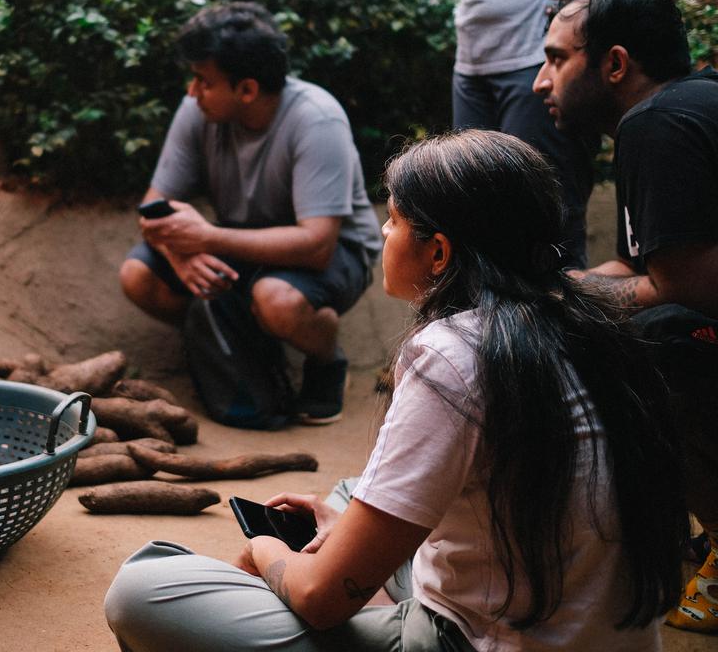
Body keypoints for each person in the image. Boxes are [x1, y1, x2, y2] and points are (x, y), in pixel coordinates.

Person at [106, 130, 688, 651]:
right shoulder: (586, 323)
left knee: (142, 588)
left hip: (478, 641)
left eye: (394, 220)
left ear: (439, 251)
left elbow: (319, 600)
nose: (384, 233)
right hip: (588, 628)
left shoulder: (453, 355)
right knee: (347, 495)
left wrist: (265, 552)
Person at [534, 0, 718, 633]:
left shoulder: (659, 124)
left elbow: (684, 290)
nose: (540, 82)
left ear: (614, 64)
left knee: (657, 337)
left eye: (556, 59)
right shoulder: (678, 110)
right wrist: (548, 288)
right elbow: (641, 268)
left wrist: (567, 303)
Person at [119, 3, 381, 424]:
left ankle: (326, 358)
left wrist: (205, 239)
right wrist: (179, 255)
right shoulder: (197, 111)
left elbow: (317, 245)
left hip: (334, 251)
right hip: (239, 242)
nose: (192, 91)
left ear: (247, 90)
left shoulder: (317, 120)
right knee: (138, 275)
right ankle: (245, 351)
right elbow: (152, 211)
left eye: (204, 81)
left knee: (277, 300)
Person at [452, 0, 718, 267]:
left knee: (542, 239)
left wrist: (630, 9)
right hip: (473, 65)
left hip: (544, 62)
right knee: (472, 231)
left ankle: (564, 330)